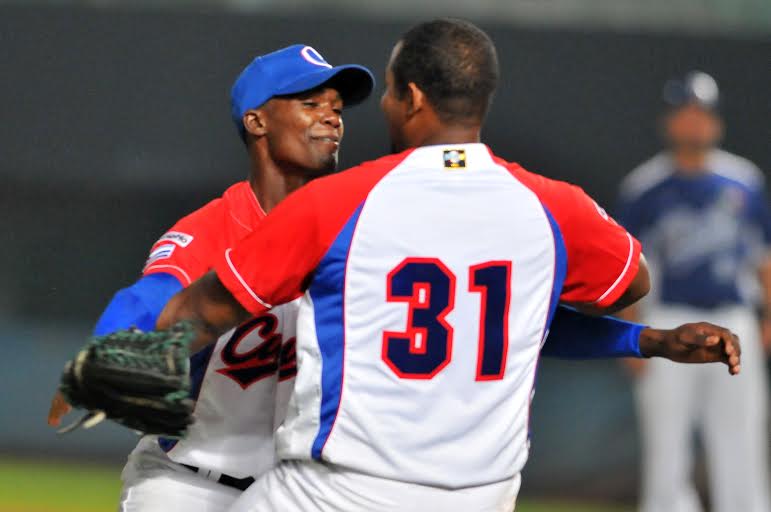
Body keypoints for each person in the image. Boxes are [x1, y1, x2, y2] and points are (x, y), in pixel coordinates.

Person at [133, 21, 744, 511]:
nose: (342, 113)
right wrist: (644, 337)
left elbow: (199, 311)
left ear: (413, 98)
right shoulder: (546, 206)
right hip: (487, 493)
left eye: (388, 92)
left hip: (342, 489)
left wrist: (111, 363)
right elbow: (623, 284)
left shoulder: (344, 203)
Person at [47, 44, 375, 511]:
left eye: (336, 109)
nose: (331, 118)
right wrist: (104, 346)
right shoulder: (212, 228)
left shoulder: (355, 228)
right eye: (310, 104)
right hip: (187, 484)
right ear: (257, 121)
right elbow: (153, 295)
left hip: (301, 490)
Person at [618, 71, 771, 512]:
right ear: (669, 122)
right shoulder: (645, 187)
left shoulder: (744, 181)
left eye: (701, 114)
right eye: (684, 113)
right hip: (670, 321)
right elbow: (630, 273)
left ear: (716, 122)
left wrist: (767, 318)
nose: (693, 123)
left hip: (733, 319)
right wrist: (632, 338)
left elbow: (763, 258)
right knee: (666, 445)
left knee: (740, 440)